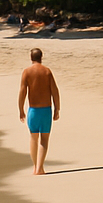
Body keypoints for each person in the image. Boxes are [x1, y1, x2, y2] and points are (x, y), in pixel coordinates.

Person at [18, 47, 61, 175]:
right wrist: (57, 108)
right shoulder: (47, 71)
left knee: (33, 138)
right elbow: (55, 91)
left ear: (31, 58)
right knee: (44, 139)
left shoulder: (27, 72)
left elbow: (22, 92)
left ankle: (35, 166)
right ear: (41, 57)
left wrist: (21, 109)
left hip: (33, 111)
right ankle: (40, 168)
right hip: (46, 110)